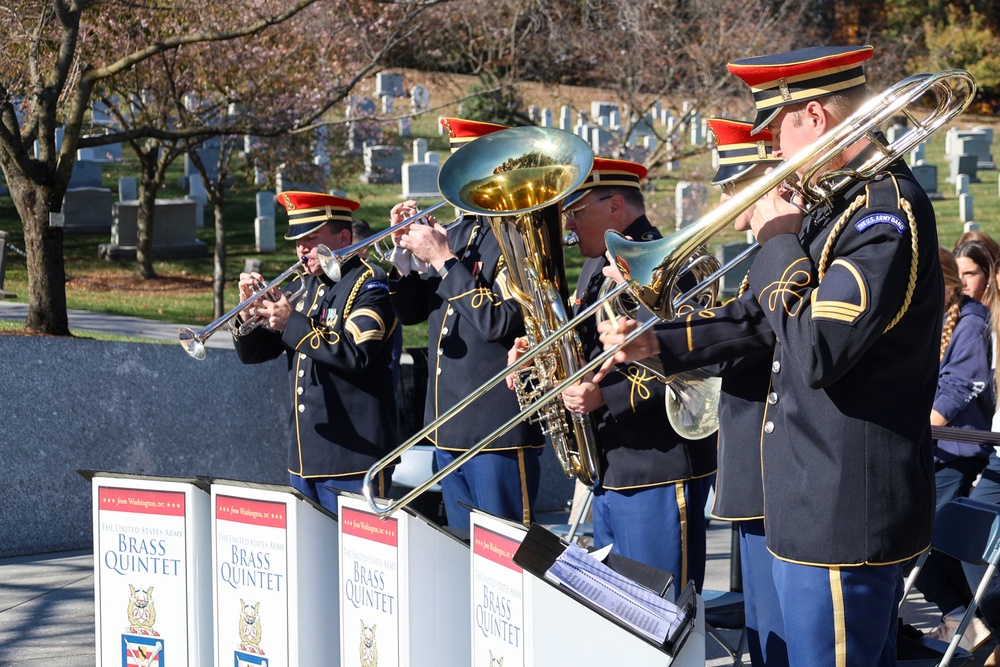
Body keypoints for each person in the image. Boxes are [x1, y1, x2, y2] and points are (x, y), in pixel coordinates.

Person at [600, 45, 942, 666]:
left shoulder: (883, 212)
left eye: (777, 129)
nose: (775, 152)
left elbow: (817, 348)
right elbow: (763, 320)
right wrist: (659, 342)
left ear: (813, 115)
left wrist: (781, 240)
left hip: (844, 509)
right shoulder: (837, 208)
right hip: (809, 500)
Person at [556, 157, 717, 589]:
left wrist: (604, 396)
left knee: (662, 602)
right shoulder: (594, 268)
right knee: (624, 608)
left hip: (657, 462)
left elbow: (689, 357)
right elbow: (595, 348)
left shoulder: (668, 262)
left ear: (613, 207)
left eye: (575, 212)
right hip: (610, 461)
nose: (568, 226)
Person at [386, 117, 545, 533]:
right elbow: (412, 314)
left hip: (496, 427)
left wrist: (443, 259)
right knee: (462, 554)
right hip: (446, 425)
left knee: (507, 557)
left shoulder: (518, 235)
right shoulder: (461, 233)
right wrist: (405, 263)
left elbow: (501, 322)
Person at [232, 191, 398, 514]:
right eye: (297, 241)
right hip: (305, 458)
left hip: (354, 459)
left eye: (311, 239)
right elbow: (254, 353)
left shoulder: (370, 286)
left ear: (344, 238)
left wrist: (290, 322)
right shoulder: (308, 288)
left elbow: (354, 354)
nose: (302, 249)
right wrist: (247, 312)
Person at [914, 247, 994, 650]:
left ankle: (967, 619)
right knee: (919, 538)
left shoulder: (972, 325)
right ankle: (963, 619)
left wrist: (908, 427)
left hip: (956, 453)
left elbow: (957, 390)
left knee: (930, 537)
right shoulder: (935, 318)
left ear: (951, 286)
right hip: (931, 450)